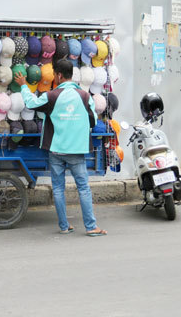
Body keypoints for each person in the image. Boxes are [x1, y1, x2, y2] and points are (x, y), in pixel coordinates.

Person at [14, 59, 107, 236]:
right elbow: (93, 121)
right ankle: (91, 227)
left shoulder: (51, 96)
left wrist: (24, 85)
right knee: (83, 188)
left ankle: (64, 226)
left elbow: (31, 104)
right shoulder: (85, 96)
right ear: (72, 75)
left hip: (56, 149)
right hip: (76, 151)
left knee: (58, 188)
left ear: (58, 75)